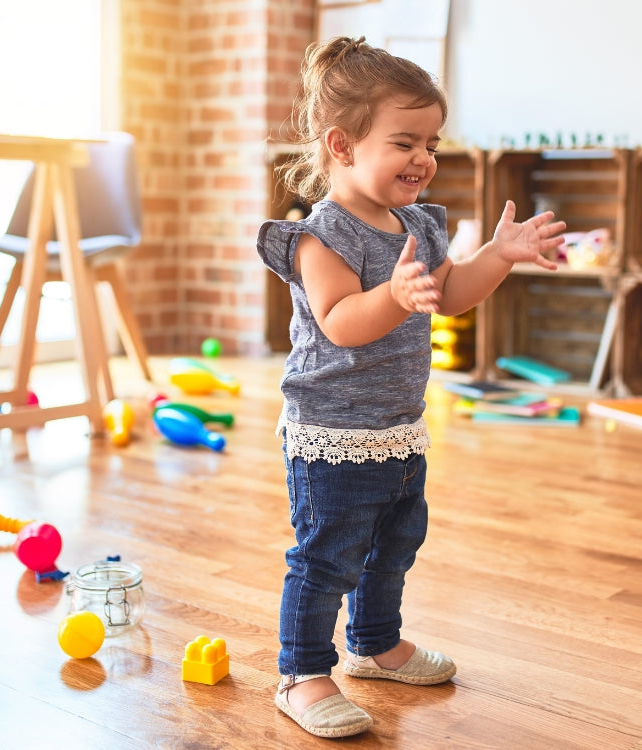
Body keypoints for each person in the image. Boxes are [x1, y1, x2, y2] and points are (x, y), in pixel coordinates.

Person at [257, 36, 566, 739]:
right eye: (404, 142)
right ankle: (301, 674)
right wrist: (395, 295)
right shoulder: (318, 237)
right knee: (327, 557)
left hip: (396, 428)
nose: (423, 159)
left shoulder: (417, 224)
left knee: (394, 544)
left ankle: (374, 644)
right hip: (331, 434)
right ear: (341, 144)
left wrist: (496, 255)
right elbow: (338, 322)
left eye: (430, 142)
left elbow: (450, 295)